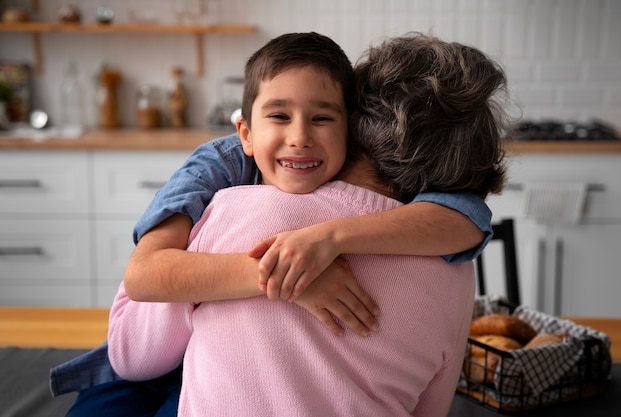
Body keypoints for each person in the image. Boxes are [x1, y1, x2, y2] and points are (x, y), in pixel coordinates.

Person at [51, 32, 497, 415]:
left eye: (322, 117)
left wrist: (326, 240)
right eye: (279, 116)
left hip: (161, 349)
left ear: (353, 128)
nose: (299, 136)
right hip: (167, 346)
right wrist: (282, 277)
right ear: (245, 131)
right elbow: (146, 274)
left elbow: (133, 353)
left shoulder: (233, 212)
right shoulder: (219, 170)